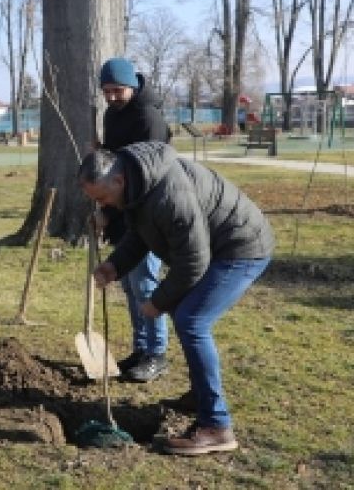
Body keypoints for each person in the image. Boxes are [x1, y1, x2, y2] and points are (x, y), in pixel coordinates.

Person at [78, 142, 274, 456]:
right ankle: (201, 395)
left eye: (102, 198)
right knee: (187, 315)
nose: (103, 206)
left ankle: (216, 426)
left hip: (241, 247)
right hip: (215, 248)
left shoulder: (170, 196)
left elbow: (194, 261)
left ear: (118, 181)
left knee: (192, 321)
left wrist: (158, 302)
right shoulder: (139, 186)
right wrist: (114, 265)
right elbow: (141, 234)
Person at [97, 57, 173, 382]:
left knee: (144, 283)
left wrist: (111, 206)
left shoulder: (148, 118)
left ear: (132, 85)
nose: (112, 97)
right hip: (122, 209)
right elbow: (115, 163)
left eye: (117, 90)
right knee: (129, 284)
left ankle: (157, 353)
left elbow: (147, 173)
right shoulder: (112, 115)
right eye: (107, 91)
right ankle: (141, 348)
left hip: (148, 210)